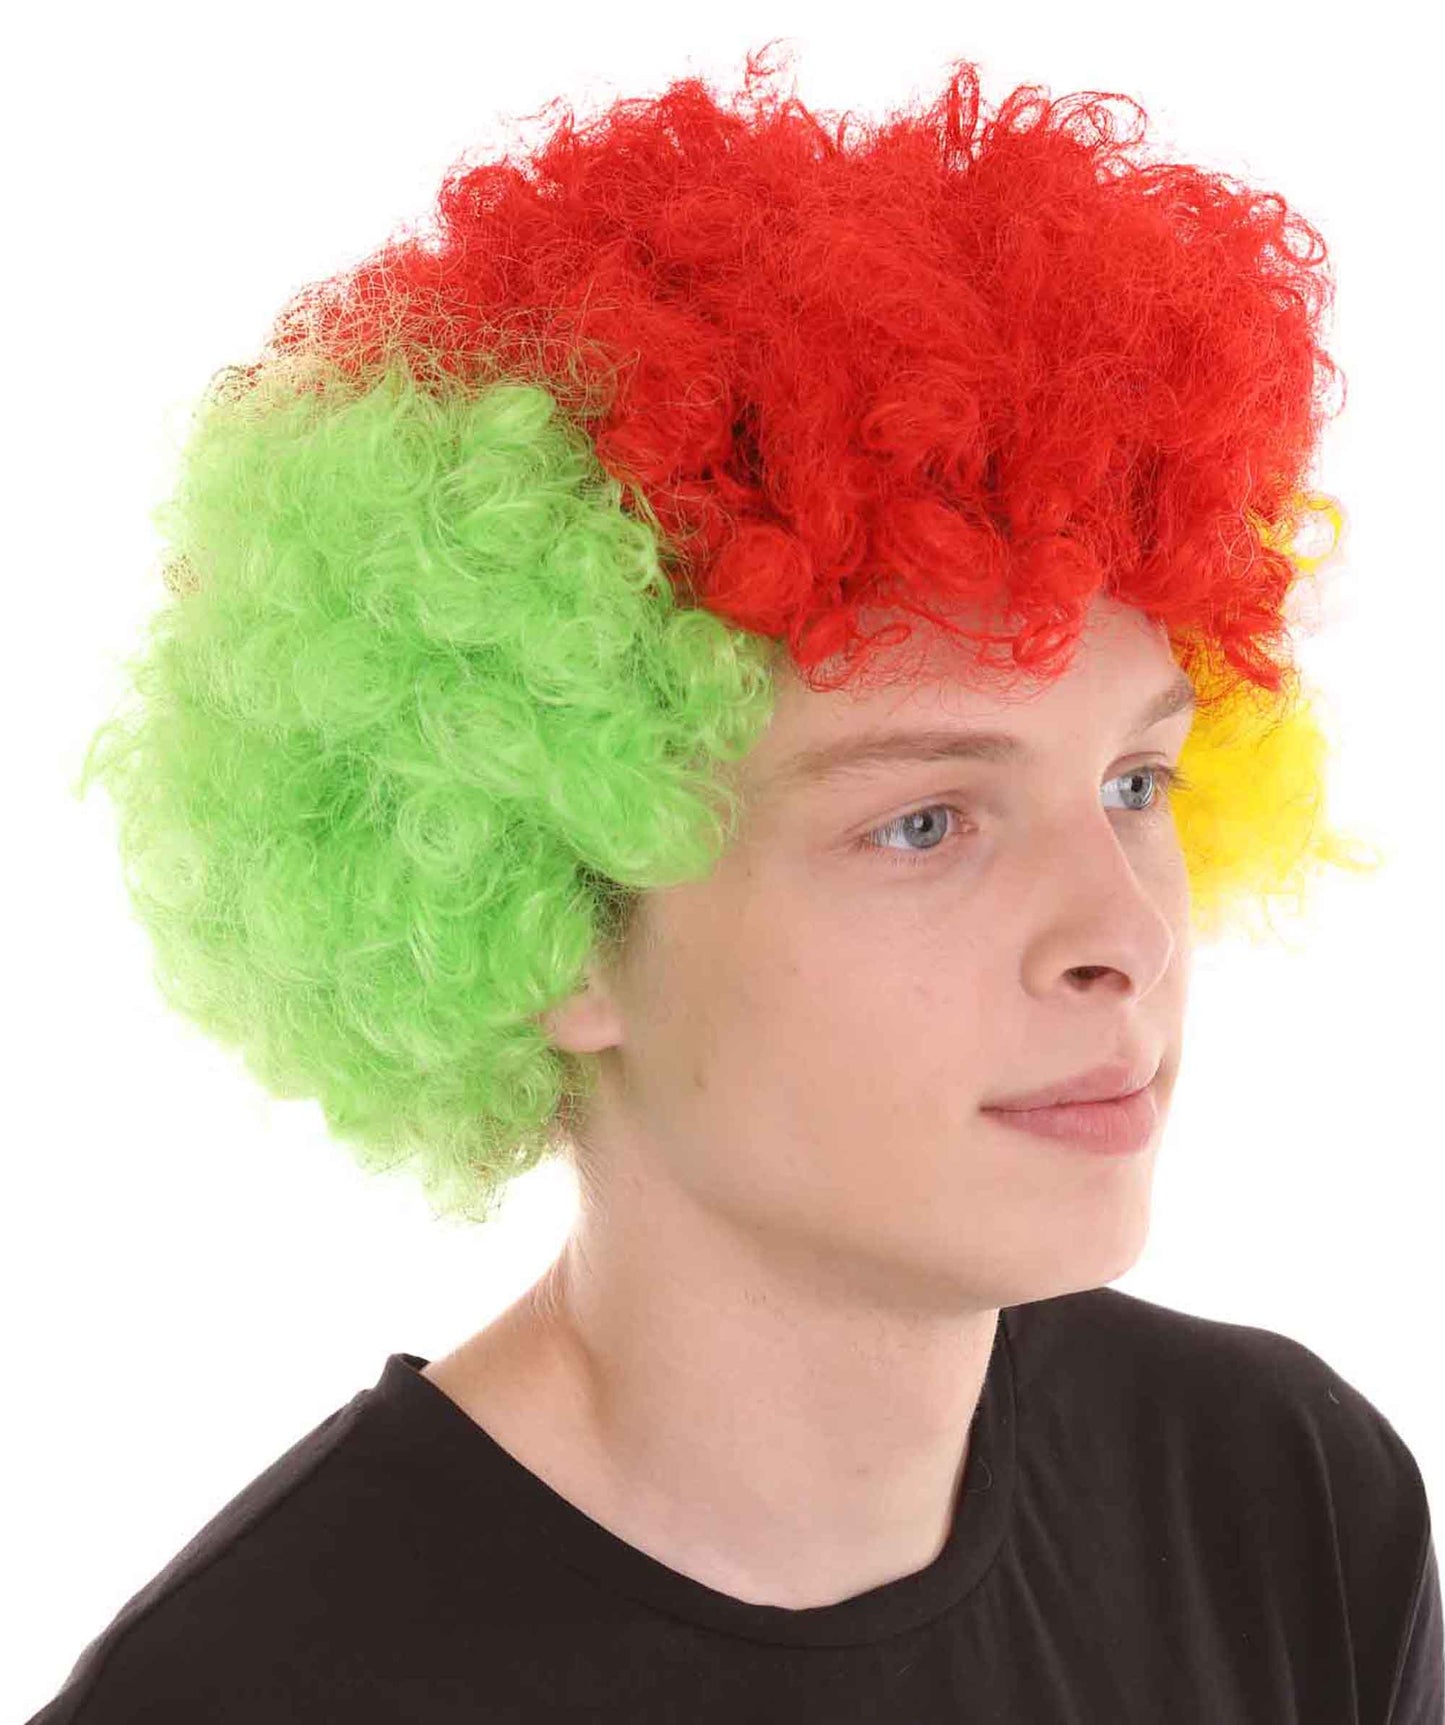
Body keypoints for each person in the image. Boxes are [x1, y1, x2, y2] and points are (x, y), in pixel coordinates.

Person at [33, 43, 1440, 1722]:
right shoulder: (252, 1691)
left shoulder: (1276, 1498)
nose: (1125, 934)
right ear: (560, 922)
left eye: (1133, 783)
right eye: (925, 822)